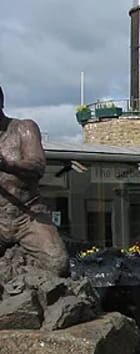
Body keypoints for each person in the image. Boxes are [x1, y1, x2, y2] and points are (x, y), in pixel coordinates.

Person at [0, 86, 68, 276]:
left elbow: (37, 166)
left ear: (1, 101)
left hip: (28, 216)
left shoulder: (24, 128)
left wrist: (6, 165)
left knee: (57, 264)